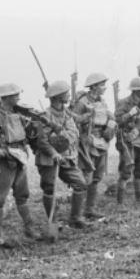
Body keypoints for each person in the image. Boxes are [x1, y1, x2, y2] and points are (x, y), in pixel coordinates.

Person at [0, 83, 38, 245]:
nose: (18, 97)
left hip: (19, 160)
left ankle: (29, 228)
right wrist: (1, 153)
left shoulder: (18, 114)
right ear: (6, 98)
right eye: (15, 94)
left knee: (23, 196)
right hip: (4, 164)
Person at [32, 81, 91, 229]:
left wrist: (61, 136)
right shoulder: (45, 116)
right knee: (49, 188)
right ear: (58, 97)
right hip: (48, 159)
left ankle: (76, 217)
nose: (69, 95)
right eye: (66, 93)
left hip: (66, 157)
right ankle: (53, 222)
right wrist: (53, 153)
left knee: (81, 184)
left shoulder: (67, 115)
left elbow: (72, 135)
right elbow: (42, 141)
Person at [72, 72, 117, 219]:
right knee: (86, 178)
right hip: (88, 143)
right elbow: (73, 121)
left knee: (97, 177)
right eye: (102, 85)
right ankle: (78, 213)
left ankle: (89, 209)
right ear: (94, 86)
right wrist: (85, 125)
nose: (104, 88)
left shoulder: (102, 101)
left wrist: (110, 123)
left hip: (102, 142)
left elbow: (107, 116)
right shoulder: (82, 102)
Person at [114, 77, 140, 207]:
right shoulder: (124, 103)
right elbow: (118, 121)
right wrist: (130, 114)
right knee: (126, 172)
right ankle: (120, 203)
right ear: (137, 90)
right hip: (128, 141)